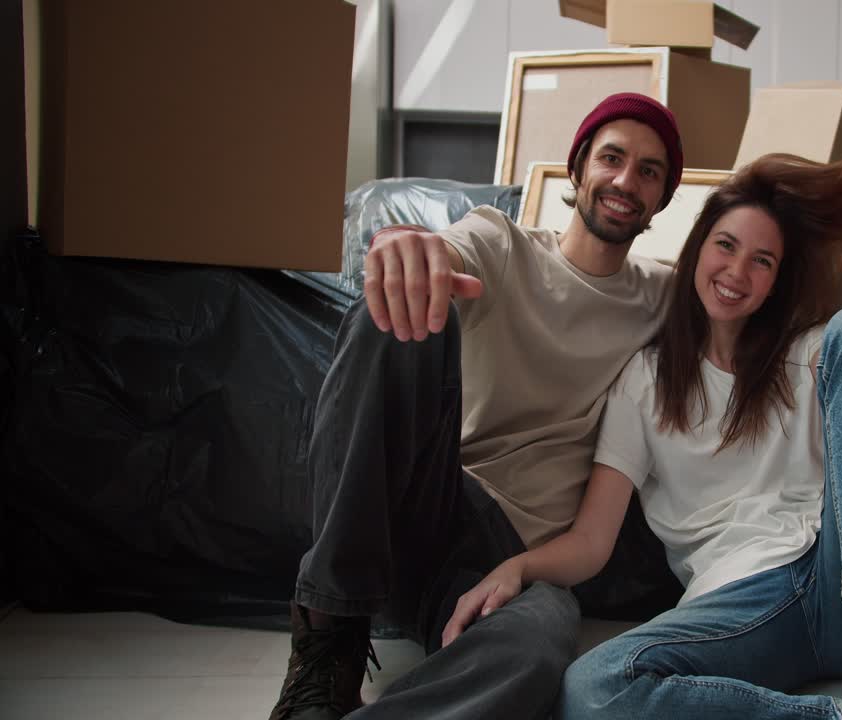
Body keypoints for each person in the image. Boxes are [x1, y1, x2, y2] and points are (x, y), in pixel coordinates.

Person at [443, 111, 842, 720]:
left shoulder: (805, 354)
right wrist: (520, 566)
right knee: (594, 690)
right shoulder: (643, 382)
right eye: (725, 246)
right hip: (738, 605)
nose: (736, 272)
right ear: (695, 252)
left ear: (777, 281)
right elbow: (591, 541)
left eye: (762, 261)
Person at [267, 92, 686, 720]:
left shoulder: (666, 298)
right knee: (400, 312)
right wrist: (409, 252)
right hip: (430, 500)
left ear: (661, 200)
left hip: (520, 560)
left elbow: (764, 306)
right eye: (612, 158)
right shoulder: (500, 242)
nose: (627, 180)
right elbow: (443, 252)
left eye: (649, 171)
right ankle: (329, 638)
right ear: (578, 169)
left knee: (538, 652)